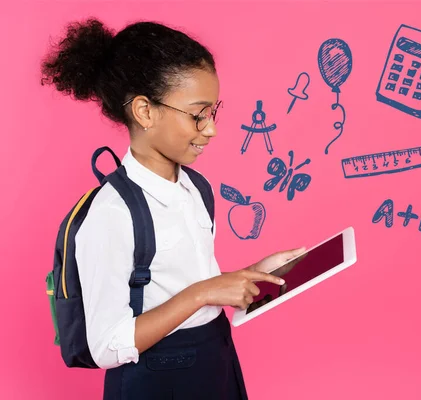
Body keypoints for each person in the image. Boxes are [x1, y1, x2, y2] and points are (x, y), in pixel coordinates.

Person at [40, 17, 305, 400]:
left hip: (216, 361)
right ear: (145, 112)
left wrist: (251, 275)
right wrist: (202, 293)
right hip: (156, 380)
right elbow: (106, 346)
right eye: (198, 114)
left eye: (214, 112)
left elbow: (178, 280)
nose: (211, 128)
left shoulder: (199, 188)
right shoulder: (112, 214)